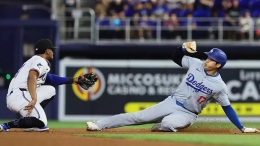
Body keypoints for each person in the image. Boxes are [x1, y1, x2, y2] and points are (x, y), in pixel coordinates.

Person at [86, 41, 260, 133]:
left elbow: (228, 108)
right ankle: (99, 125)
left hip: (188, 114)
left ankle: (162, 127)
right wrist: (183, 48)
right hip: (172, 102)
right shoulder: (195, 64)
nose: (207, 59)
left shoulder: (219, 86)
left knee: (168, 123)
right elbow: (176, 57)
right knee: (137, 116)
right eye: (207, 57)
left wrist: (242, 128)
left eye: (211, 59)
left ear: (218, 65)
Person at [0, 39, 97, 132]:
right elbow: (32, 77)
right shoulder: (40, 61)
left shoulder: (35, 61)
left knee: (51, 90)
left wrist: (73, 80)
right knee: (42, 122)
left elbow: (49, 78)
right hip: (20, 95)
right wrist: (34, 99)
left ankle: (30, 121)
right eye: (52, 50)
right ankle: (6, 125)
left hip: (19, 94)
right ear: (47, 51)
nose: (53, 52)